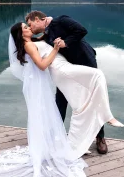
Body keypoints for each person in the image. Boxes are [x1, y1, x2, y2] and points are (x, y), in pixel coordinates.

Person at [0, 22, 122, 177]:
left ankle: (83, 138)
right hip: (61, 70)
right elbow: (43, 65)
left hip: (64, 67)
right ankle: (106, 117)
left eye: (28, 25)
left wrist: (56, 38)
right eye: (25, 27)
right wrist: (55, 48)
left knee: (82, 102)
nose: (28, 27)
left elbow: (52, 35)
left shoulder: (36, 40)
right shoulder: (29, 45)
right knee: (97, 76)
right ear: (21, 34)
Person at [26, 10, 111, 154]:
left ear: (37, 19)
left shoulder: (61, 20)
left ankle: (100, 137)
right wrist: (22, 40)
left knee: (94, 99)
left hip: (85, 62)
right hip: (68, 68)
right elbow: (37, 41)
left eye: (30, 25)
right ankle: (54, 135)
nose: (30, 28)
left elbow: (82, 30)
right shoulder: (46, 35)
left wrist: (66, 42)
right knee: (60, 99)